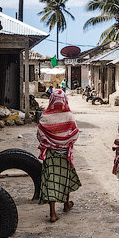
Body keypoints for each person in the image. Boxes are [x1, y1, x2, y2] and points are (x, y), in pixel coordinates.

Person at [35, 90, 81, 222]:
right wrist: (64, 141)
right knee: (65, 177)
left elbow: (40, 136)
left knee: (51, 180)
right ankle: (65, 204)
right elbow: (75, 134)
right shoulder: (69, 116)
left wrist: (52, 142)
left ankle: (53, 213)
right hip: (65, 154)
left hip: (50, 154)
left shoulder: (45, 117)